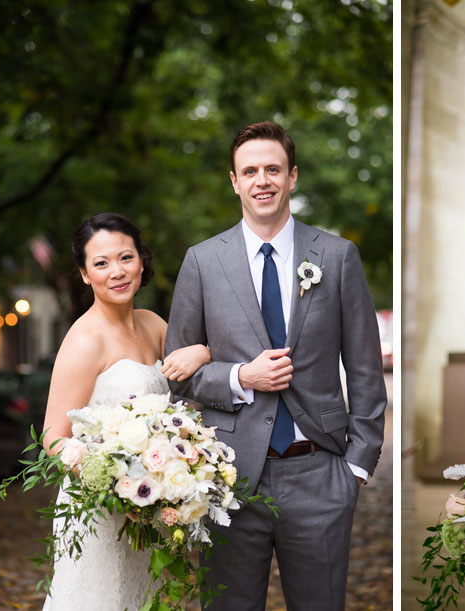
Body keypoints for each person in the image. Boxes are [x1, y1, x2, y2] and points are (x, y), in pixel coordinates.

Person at [165, 121, 387, 610]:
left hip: (320, 473)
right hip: (228, 480)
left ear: (292, 177)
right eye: (250, 171)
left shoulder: (336, 255)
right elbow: (176, 376)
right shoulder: (202, 262)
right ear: (234, 181)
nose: (261, 180)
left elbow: (366, 367)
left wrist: (357, 466)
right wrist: (240, 377)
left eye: (272, 169)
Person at [41, 212, 212, 610]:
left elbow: (190, 376)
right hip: (101, 510)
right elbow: (52, 434)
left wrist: (202, 351)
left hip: (149, 510)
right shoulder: (85, 340)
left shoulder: (152, 324)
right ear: (85, 274)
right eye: (101, 263)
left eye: (125, 257)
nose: (116, 272)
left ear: (141, 260)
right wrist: (113, 480)